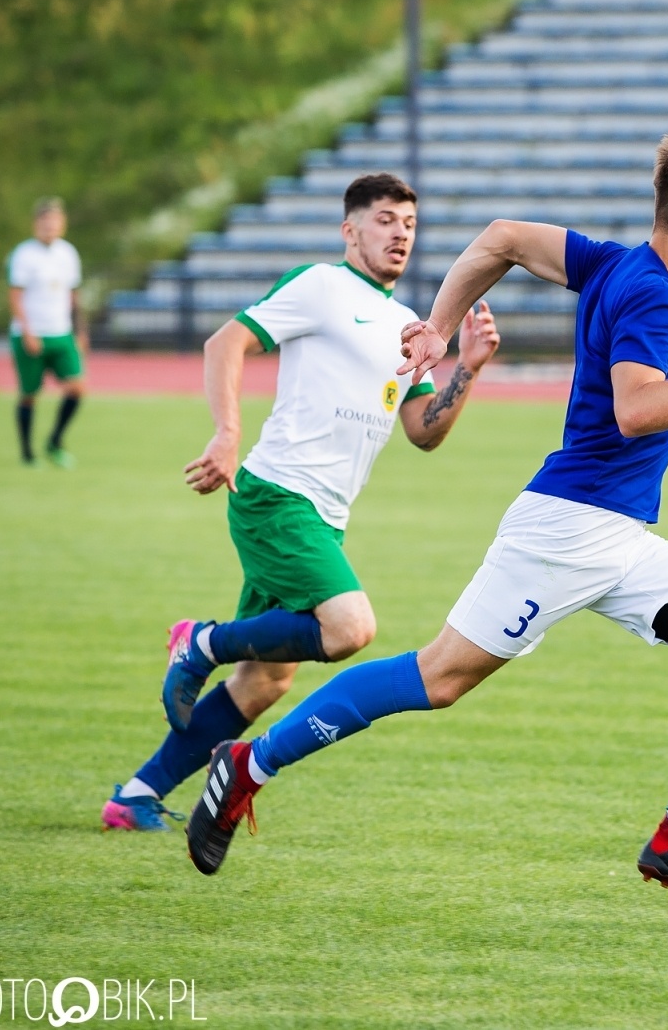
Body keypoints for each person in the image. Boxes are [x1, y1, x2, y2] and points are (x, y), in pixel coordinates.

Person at [182, 133, 668, 918]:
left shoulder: (613, 262)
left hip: (618, 536)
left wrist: (440, 327)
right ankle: (247, 764)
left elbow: (503, 239)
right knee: (436, 677)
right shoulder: (650, 292)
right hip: (563, 533)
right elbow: (636, 409)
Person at [101, 173, 500, 832]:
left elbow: (424, 430)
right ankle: (201, 641)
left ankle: (136, 794)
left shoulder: (411, 327)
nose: (400, 232)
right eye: (384, 219)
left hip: (322, 518)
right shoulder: (320, 285)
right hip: (277, 496)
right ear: (350, 231)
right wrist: (228, 432)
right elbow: (225, 341)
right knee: (351, 627)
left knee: (265, 682)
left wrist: (469, 368)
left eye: (409, 222)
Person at [8, 197, 85, 468]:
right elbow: (15, 296)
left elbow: (74, 296)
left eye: (54, 220)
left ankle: (54, 441)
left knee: (76, 387)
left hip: (61, 332)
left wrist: (80, 331)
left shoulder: (68, 253)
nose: (49, 226)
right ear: (35, 224)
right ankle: (28, 453)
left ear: (62, 224)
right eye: (44, 221)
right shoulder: (24, 254)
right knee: (29, 393)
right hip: (32, 333)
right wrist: (27, 331)